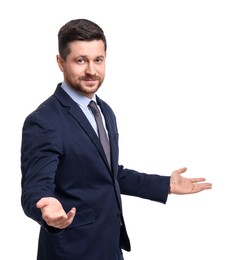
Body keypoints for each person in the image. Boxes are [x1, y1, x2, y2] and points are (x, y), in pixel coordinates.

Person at [20, 18, 212, 260]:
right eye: (81, 60)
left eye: (98, 60)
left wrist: (165, 185)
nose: (91, 70)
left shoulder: (103, 110)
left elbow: (110, 174)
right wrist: (45, 206)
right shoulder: (44, 120)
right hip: (71, 251)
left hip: (109, 245)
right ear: (61, 62)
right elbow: (34, 188)